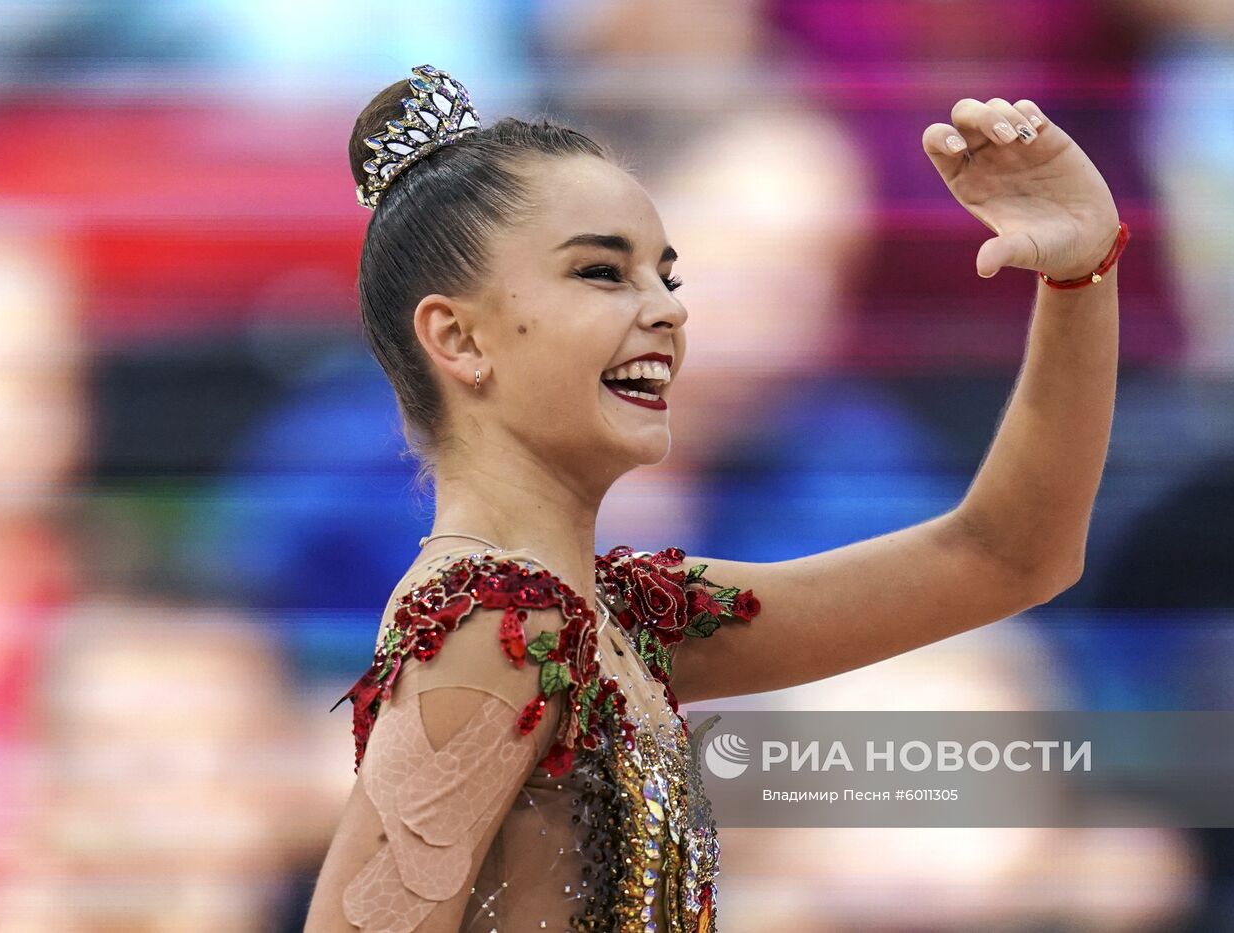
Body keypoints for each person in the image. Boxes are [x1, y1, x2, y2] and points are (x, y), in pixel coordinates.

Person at [305, 64, 1125, 932]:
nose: (669, 314)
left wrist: (1078, 274)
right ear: (458, 336)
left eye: (668, 276)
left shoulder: (625, 616)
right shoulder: (496, 626)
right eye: (600, 274)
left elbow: (1006, 558)